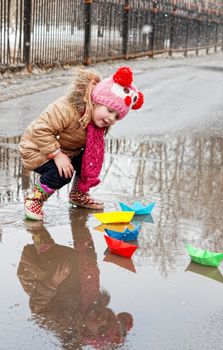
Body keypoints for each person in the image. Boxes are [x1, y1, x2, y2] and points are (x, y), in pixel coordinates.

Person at [18, 66, 144, 221]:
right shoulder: (67, 108)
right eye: (110, 110)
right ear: (97, 101)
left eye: (117, 117)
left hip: (64, 149)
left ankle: (78, 194)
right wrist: (57, 155)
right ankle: (34, 199)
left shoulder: (96, 120)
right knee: (63, 173)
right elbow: (40, 130)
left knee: (89, 158)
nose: (111, 119)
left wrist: (70, 157)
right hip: (36, 147)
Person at [17, 208, 133, 348]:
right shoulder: (94, 299)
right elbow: (88, 263)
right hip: (64, 269)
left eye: (101, 328)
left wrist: (52, 282)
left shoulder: (65, 325)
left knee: (58, 267)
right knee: (86, 265)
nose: (102, 320)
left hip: (35, 275)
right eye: (108, 319)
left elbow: (38, 309)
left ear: (89, 334)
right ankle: (65, 224)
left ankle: (36, 229)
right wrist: (79, 222)